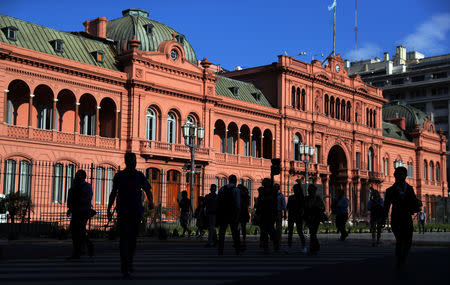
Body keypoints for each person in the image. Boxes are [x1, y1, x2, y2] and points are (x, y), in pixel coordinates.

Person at [107, 152, 153, 279]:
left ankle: (129, 262)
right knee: (125, 239)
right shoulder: (120, 176)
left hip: (135, 211)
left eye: (134, 161)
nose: (133, 163)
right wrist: (109, 208)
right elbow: (113, 193)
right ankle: (125, 264)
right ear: (127, 162)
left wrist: (151, 202)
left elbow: (148, 190)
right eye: (131, 161)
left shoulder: (139, 176)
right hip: (124, 211)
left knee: (131, 239)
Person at [382, 166, 421, 269]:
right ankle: (399, 258)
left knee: (408, 241)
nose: (400, 177)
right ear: (395, 176)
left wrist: (417, 204)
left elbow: (414, 201)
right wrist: (383, 219)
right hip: (396, 218)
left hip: (407, 218)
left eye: (402, 175)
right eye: (398, 175)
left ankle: (402, 256)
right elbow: (386, 206)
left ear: (405, 176)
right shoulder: (390, 191)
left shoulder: (409, 189)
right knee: (400, 239)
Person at [66, 169, 94, 259]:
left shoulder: (87, 186)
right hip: (76, 211)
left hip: (83, 211)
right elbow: (71, 197)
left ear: (83, 177)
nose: (76, 176)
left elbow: (87, 198)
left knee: (79, 230)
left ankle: (82, 248)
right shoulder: (75, 186)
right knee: (75, 231)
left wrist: (77, 202)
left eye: (78, 175)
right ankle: (80, 249)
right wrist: (70, 208)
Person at [216, 175, 241, 255]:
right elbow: (237, 203)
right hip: (232, 213)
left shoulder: (222, 189)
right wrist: (238, 213)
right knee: (234, 231)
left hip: (223, 213)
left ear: (228, 180)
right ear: (235, 181)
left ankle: (220, 249)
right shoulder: (236, 190)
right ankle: (237, 248)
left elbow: (218, 201)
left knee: (222, 231)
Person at [256, 178, 279, 253]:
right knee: (268, 230)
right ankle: (273, 244)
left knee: (266, 230)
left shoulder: (263, 191)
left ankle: (270, 245)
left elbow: (260, 202)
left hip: (266, 213)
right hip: (269, 213)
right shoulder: (273, 191)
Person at [304, 184, 325, 255]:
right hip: (309, 217)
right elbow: (304, 207)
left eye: (311, 190)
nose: (310, 191)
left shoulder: (317, 198)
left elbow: (323, 207)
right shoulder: (306, 198)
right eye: (309, 190)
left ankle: (313, 247)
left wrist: (317, 207)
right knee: (312, 233)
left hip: (316, 217)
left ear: (314, 191)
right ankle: (316, 245)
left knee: (313, 233)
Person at [287, 184, 306, 252]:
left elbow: (288, 207)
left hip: (293, 215)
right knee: (299, 231)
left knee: (292, 232)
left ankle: (290, 247)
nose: (294, 190)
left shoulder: (292, 197)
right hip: (297, 216)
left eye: (294, 188)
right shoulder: (301, 198)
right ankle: (303, 246)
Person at [238, 184, 250, 250]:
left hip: (239, 211)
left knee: (237, 226)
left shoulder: (239, 195)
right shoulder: (247, 195)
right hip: (244, 212)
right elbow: (247, 205)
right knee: (243, 227)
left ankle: (239, 240)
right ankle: (243, 240)